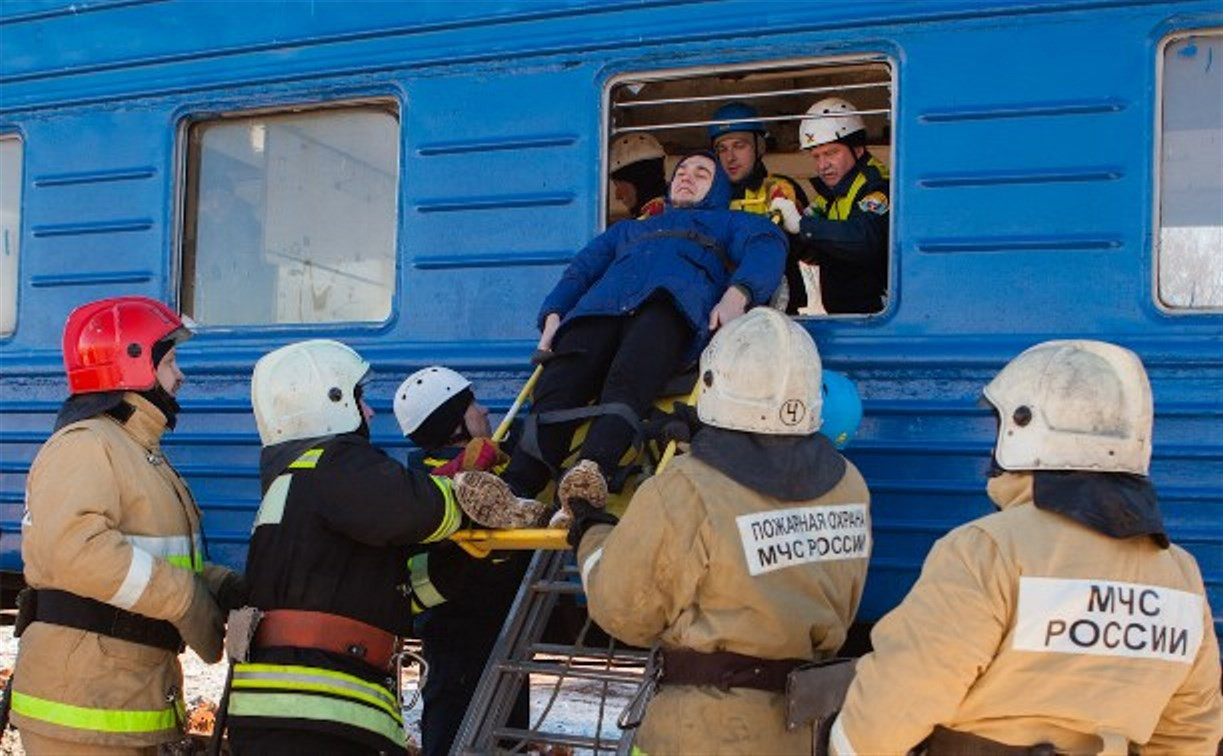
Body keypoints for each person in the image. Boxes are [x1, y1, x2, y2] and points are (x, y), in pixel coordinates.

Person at [829, 340, 1223, 754]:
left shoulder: (989, 550)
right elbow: (1189, 732)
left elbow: (899, 699)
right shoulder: (1180, 575)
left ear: (1025, 425)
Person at [570, 307, 872, 754]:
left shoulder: (685, 487)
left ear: (713, 383)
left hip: (704, 731)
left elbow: (624, 612)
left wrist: (591, 535)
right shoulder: (850, 484)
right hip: (805, 727)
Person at [11, 295, 241, 755]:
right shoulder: (85, 446)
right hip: (81, 710)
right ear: (131, 364)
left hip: (120, 697)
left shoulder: (136, 451)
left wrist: (229, 587)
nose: (180, 376)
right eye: (171, 361)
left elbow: (159, 557)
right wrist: (184, 597)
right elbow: (76, 553)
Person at [495, 151, 787, 500]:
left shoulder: (733, 223)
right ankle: (514, 488)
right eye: (681, 171)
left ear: (719, 188)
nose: (687, 176)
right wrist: (554, 313)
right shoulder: (629, 229)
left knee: (630, 376)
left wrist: (738, 294)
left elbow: (768, 246)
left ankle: (592, 471)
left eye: (702, 173)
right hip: (599, 310)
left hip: (669, 306)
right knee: (559, 383)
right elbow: (583, 269)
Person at [225, 339, 469, 756]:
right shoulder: (334, 461)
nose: (370, 412)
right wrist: (467, 492)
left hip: (286, 710)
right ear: (330, 401)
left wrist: (462, 565)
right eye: (359, 398)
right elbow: (418, 509)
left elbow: (371, 587)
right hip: (320, 711)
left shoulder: (294, 483)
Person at [392, 366, 530, 756]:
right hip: (457, 633)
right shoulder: (428, 483)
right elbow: (458, 495)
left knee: (506, 732)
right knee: (452, 730)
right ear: (455, 426)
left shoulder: (479, 464)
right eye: (472, 406)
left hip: (494, 628)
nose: (485, 411)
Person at [770, 97, 889, 314]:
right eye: (816, 157)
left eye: (831, 153)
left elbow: (864, 239)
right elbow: (815, 249)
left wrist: (803, 226)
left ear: (858, 149)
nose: (823, 166)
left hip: (877, 319)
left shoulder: (877, 187)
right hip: (844, 317)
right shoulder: (831, 195)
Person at [709, 101, 811, 313]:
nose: (730, 157)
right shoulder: (707, 199)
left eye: (739, 145)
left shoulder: (779, 188)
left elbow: (802, 248)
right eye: (722, 149)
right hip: (720, 310)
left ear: (760, 147)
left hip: (779, 311)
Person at [609, 132, 668, 220]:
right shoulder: (682, 212)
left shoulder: (644, 226)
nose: (618, 196)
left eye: (619, 186)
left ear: (640, 182)